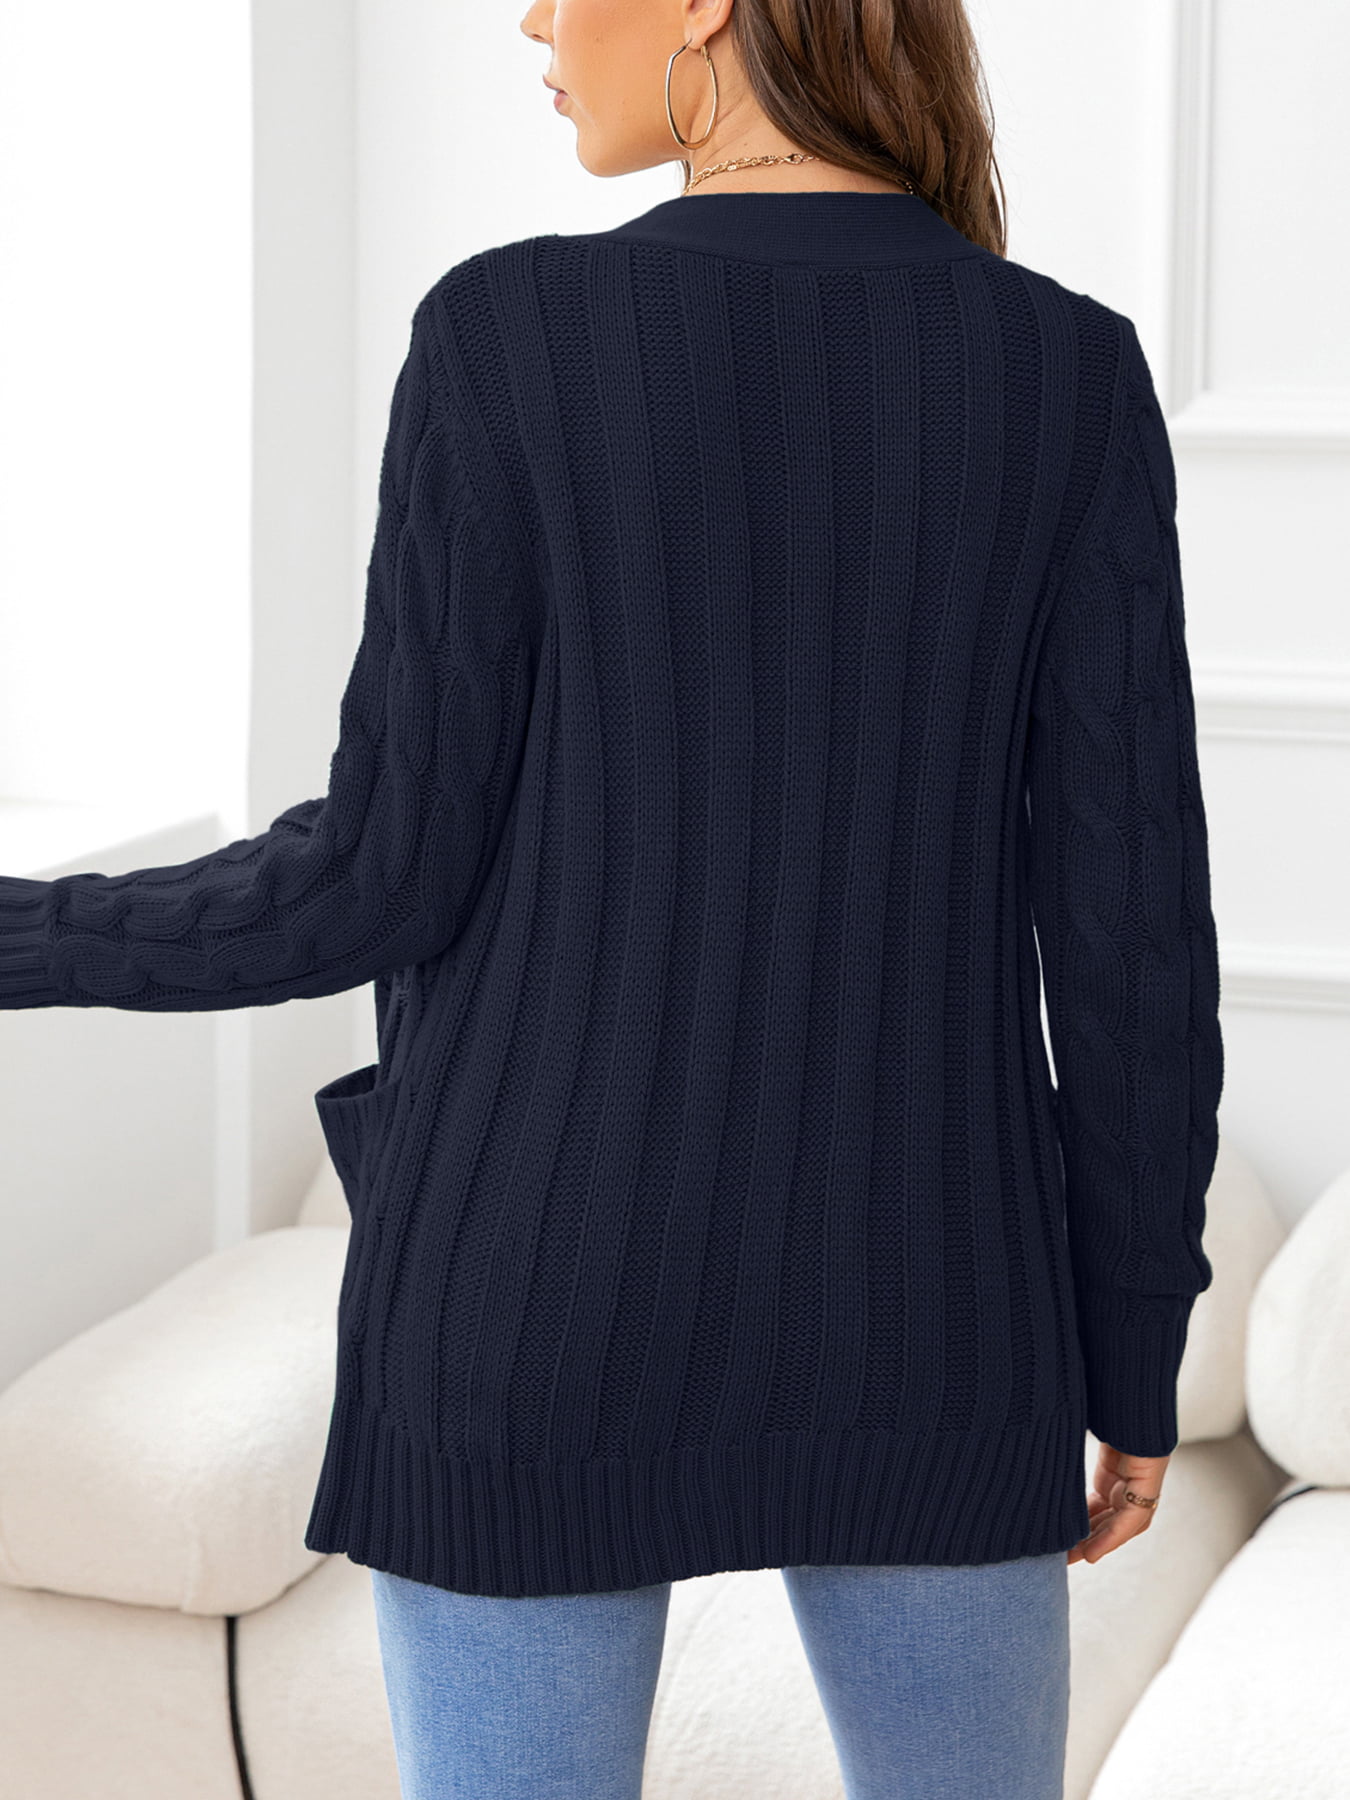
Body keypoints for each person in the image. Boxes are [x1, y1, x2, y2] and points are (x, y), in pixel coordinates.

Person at [0, 0, 1224, 1794]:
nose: (533, 17)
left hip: (524, 1306)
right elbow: (1131, 946)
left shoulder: (507, 337)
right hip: (939, 1316)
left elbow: (369, 881)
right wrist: (1128, 1355)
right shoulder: (1063, 372)